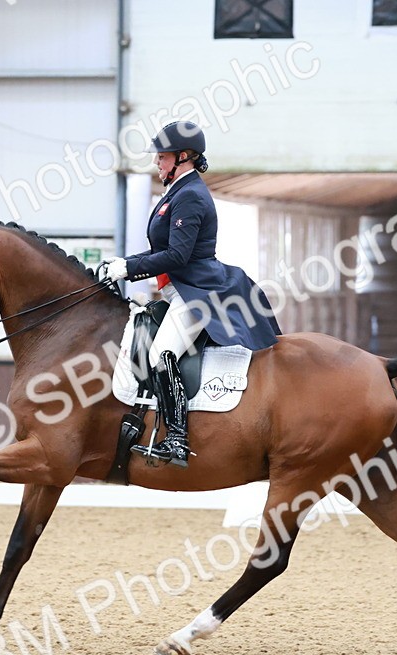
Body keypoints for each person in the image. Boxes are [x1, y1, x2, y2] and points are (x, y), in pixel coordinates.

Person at [100, 120, 281, 468]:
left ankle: (178, 439)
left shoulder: (191, 196)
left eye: (163, 156)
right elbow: (163, 250)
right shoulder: (176, 192)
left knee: (160, 353)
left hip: (198, 292)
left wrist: (129, 269)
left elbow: (177, 256)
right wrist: (124, 264)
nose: (158, 162)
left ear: (183, 157)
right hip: (178, 290)